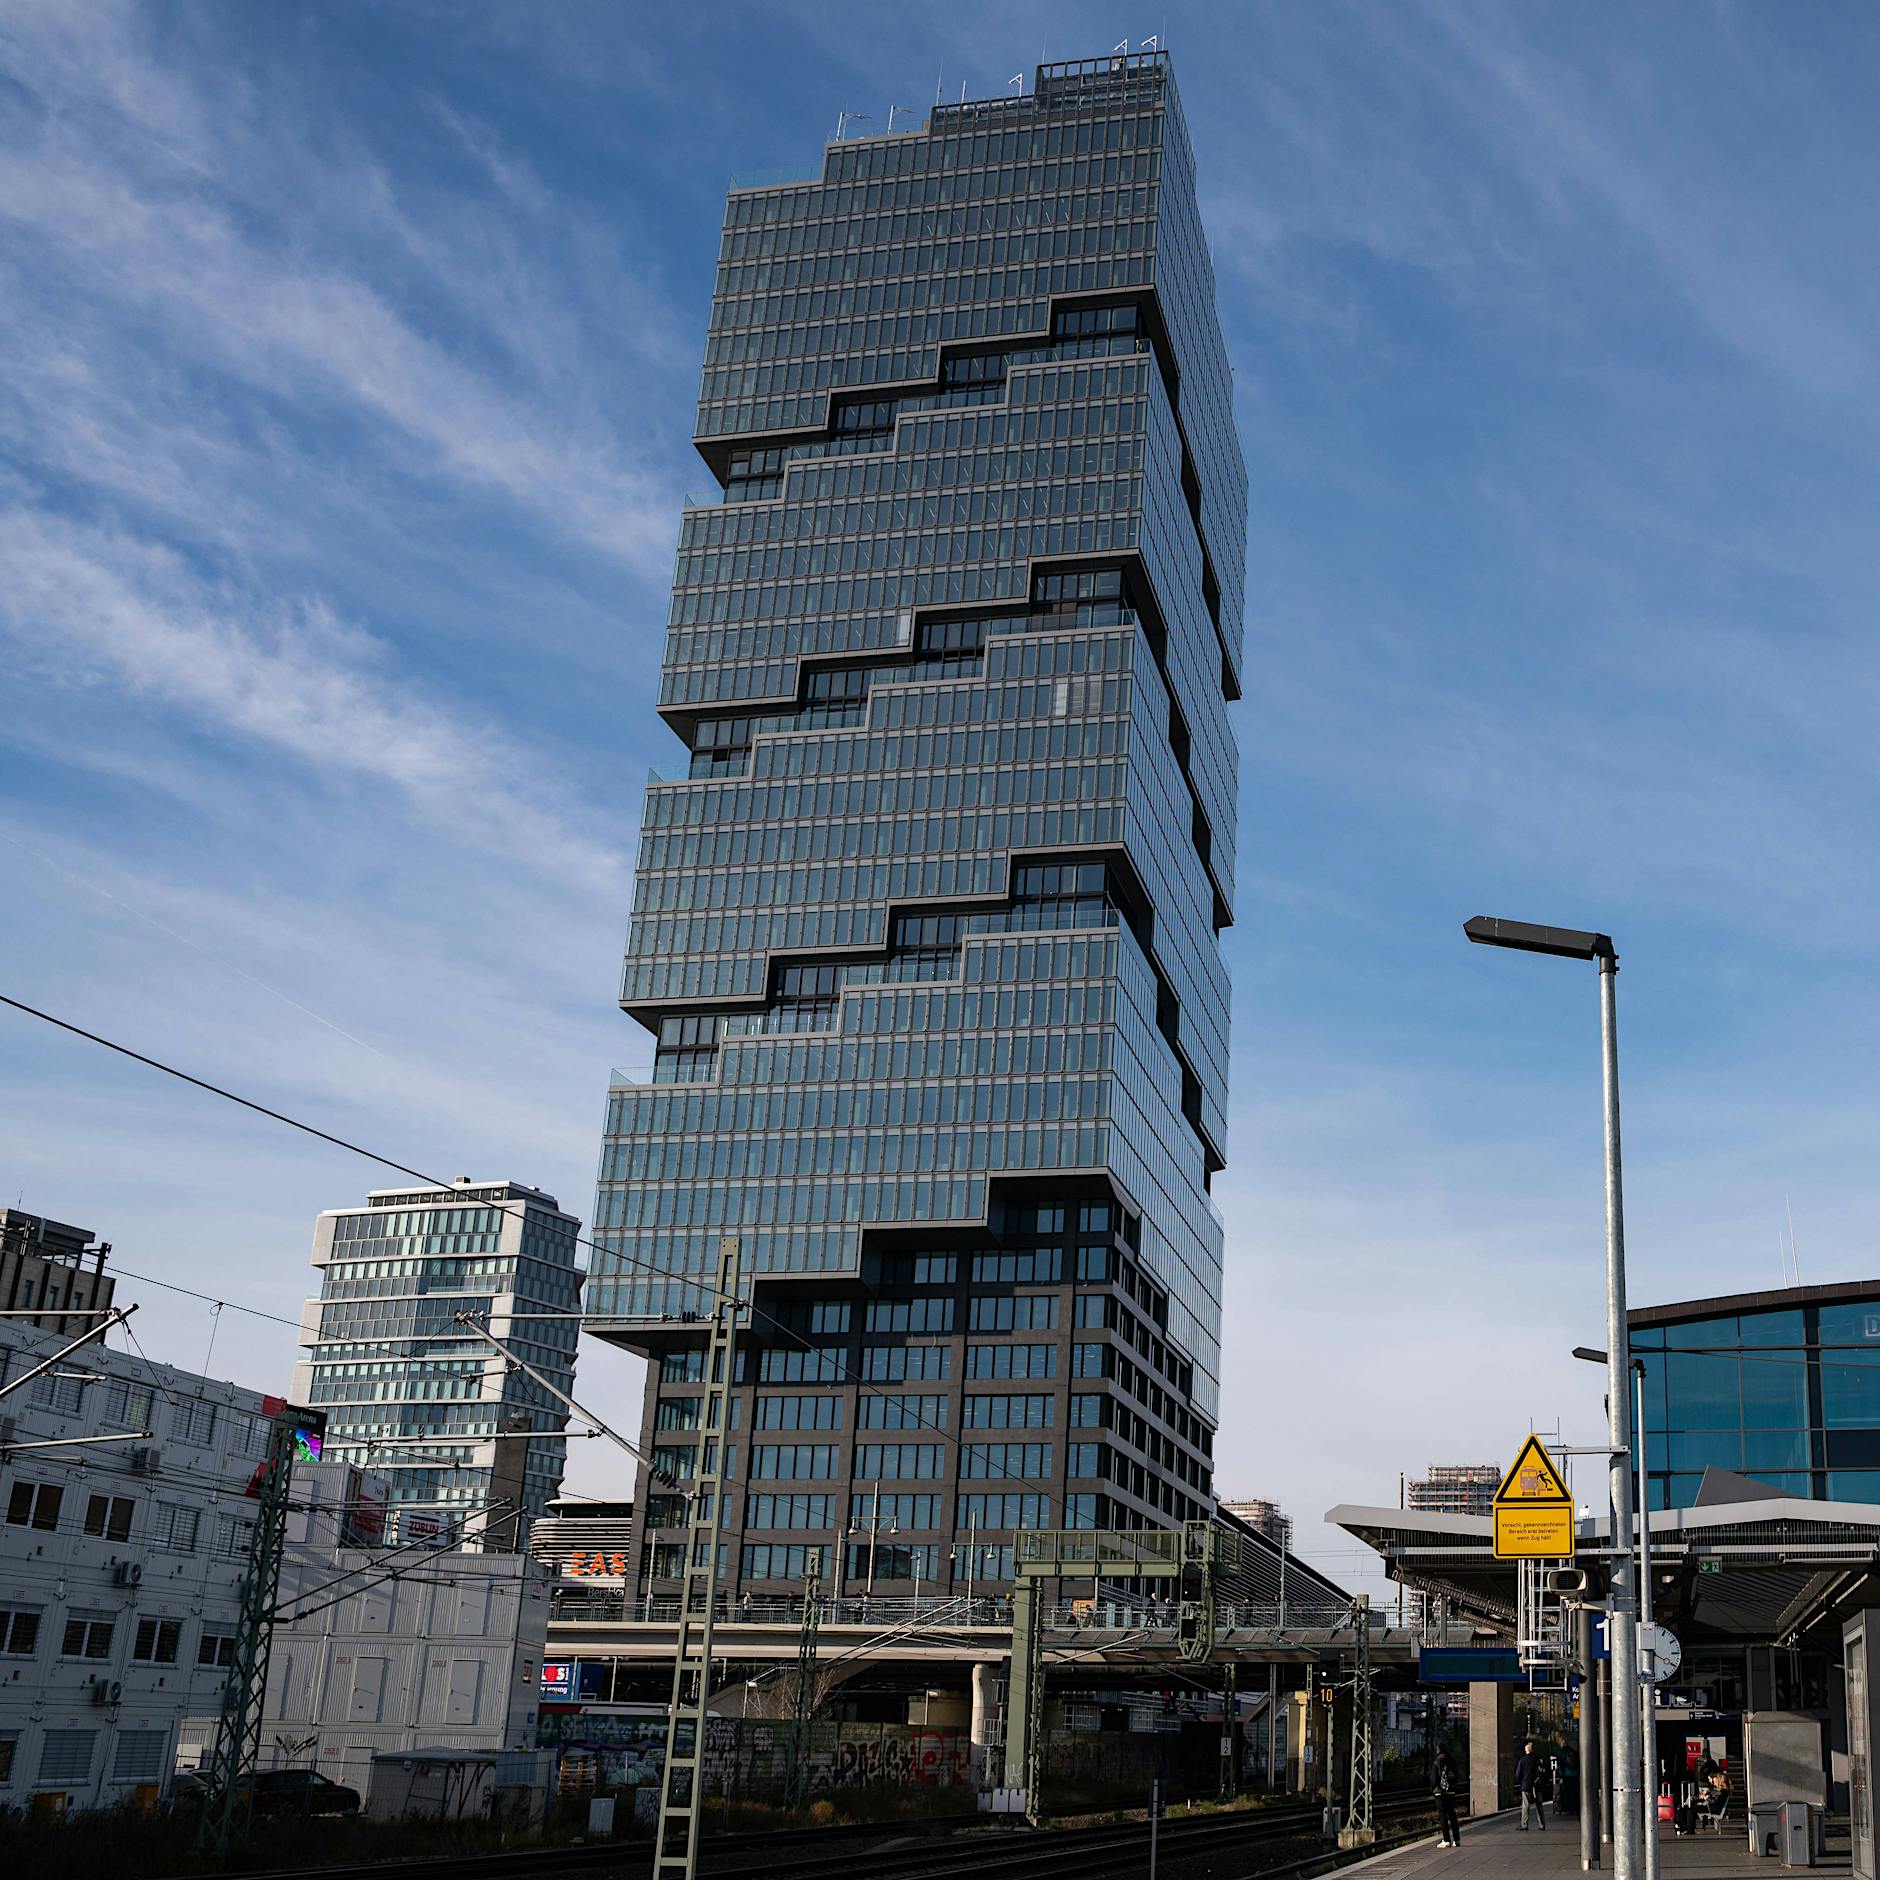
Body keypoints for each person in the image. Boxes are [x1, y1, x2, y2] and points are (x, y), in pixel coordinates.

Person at [1515, 1738, 1547, 1830]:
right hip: (1537, 1786)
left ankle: (1524, 1825)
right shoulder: (1538, 1759)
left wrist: (1522, 1782)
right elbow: (1544, 1771)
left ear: (1527, 1750)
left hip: (1526, 1786)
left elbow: (1518, 1775)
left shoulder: (1522, 1760)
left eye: (1525, 1749)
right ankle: (1542, 1825)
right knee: (1539, 1805)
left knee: (1526, 1806)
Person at [1433, 1747, 1462, 1848]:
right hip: (1450, 1792)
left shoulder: (1437, 1763)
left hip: (1440, 1793)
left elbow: (1434, 1779)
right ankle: (1457, 1840)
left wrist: (1433, 1789)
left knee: (1443, 1817)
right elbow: (1457, 1776)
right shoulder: (1452, 1762)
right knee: (1452, 1816)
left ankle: (1446, 1840)